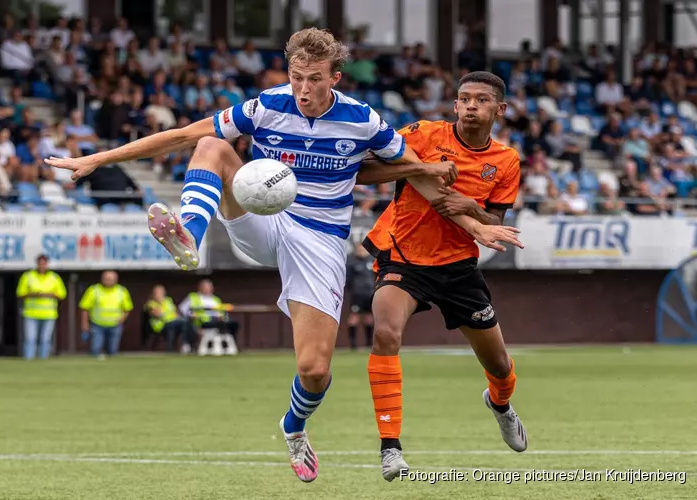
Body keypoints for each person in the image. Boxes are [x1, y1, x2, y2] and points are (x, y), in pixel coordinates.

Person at [45, 29, 521, 482]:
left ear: (334, 77)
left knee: (315, 370)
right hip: (265, 217)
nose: (303, 88)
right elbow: (183, 135)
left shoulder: (362, 119)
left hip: (320, 239)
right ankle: (188, 234)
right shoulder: (266, 106)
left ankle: (294, 427)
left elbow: (407, 171)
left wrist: (474, 222)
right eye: (297, 77)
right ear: (287, 72)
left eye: (315, 79)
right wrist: (96, 159)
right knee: (213, 142)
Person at [360, 71, 528, 482]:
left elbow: (494, 221)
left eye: (481, 100)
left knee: (500, 366)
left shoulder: (505, 161)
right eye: (464, 99)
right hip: (402, 256)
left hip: (458, 268)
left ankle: (500, 405)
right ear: (454, 105)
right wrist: (420, 169)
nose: (471, 106)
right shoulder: (422, 135)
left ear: (499, 110)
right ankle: (390, 448)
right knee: (385, 332)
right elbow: (364, 170)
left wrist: (471, 205)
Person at [15, 254, 66, 360]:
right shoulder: (28, 276)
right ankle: (28, 359)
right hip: (31, 313)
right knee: (30, 338)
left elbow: (62, 294)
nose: (42, 266)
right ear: (37, 264)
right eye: (40, 263)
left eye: (44, 263)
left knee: (45, 339)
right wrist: (34, 294)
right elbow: (20, 293)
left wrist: (49, 294)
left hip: (49, 314)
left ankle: (43, 360)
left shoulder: (54, 277)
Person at [79, 271, 134, 359]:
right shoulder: (94, 290)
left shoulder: (121, 291)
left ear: (116, 280)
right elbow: (85, 307)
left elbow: (127, 308)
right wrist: (84, 324)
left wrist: (121, 320)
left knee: (112, 351)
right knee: (95, 349)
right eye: (106, 279)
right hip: (97, 324)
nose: (108, 281)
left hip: (115, 325)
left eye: (111, 279)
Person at [145, 284, 194, 352]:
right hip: (160, 325)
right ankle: (171, 348)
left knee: (186, 323)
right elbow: (158, 315)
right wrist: (160, 304)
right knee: (175, 325)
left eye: (161, 292)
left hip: (173, 322)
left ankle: (185, 344)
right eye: (157, 292)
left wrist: (175, 316)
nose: (159, 294)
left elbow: (175, 312)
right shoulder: (151, 303)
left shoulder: (168, 300)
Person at [345, 243, 375, 349]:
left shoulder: (372, 261)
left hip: (370, 293)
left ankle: (369, 342)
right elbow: (347, 279)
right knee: (354, 317)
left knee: (369, 317)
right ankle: (353, 343)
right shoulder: (352, 262)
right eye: (359, 249)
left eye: (364, 249)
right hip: (357, 294)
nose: (362, 251)